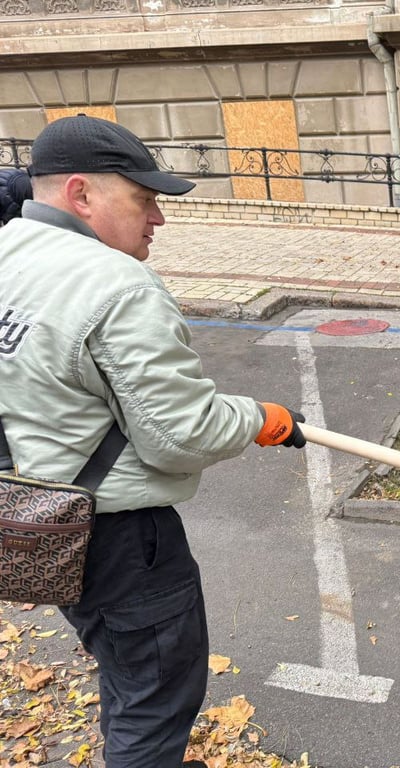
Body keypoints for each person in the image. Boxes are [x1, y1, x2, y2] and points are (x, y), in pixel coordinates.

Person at [0, 114, 307, 767]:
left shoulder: (8, 253)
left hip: (36, 523)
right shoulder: (115, 283)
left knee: (125, 666)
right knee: (157, 695)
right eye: (143, 198)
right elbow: (180, 433)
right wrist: (260, 418)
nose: (158, 218)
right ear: (81, 194)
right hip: (118, 542)